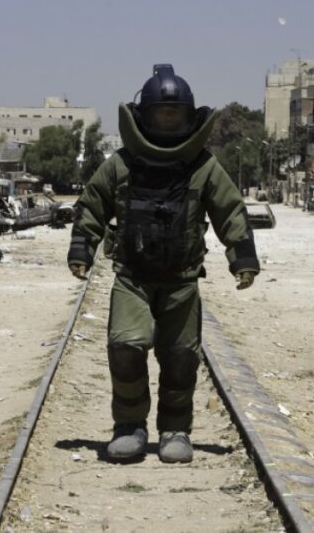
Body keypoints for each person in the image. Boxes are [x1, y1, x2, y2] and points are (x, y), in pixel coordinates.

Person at [67, 64, 259, 464]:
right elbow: (92, 205)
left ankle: (175, 430)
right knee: (124, 348)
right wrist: (81, 249)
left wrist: (242, 259)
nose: (168, 123)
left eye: (176, 117)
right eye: (161, 115)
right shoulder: (121, 164)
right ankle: (129, 426)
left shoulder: (203, 166)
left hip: (182, 282)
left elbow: (230, 211)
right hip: (132, 279)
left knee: (180, 357)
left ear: (189, 119)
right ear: (144, 117)